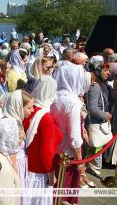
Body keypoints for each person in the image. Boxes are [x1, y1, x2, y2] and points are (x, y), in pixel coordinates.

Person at [51, 62, 91, 205]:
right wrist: (80, 161)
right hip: (68, 155)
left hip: (55, 150)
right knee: (65, 192)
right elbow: (74, 136)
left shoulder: (53, 96)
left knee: (55, 190)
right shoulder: (72, 103)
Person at [23, 76, 63, 204]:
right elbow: (47, 152)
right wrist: (51, 176)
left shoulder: (28, 109)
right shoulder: (46, 118)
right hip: (38, 174)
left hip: (25, 168)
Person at [1, 90, 34, 187]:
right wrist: (16, 181)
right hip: (16, 168)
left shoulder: (15, 121)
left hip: (21, 165)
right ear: (18, 107)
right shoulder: (12, 127)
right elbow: (12, 159)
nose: (32, 110)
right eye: (29, 108)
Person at [85, 61, 111, 175]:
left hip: (95, 121)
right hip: (94, 122)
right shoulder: (94, 86)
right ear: (97, 71)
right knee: (93, 147)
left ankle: (87, 166)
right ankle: (87, 167)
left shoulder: (97, 84)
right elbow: (93, 108)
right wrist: (104, 115)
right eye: (105, 70)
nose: (108, 73)